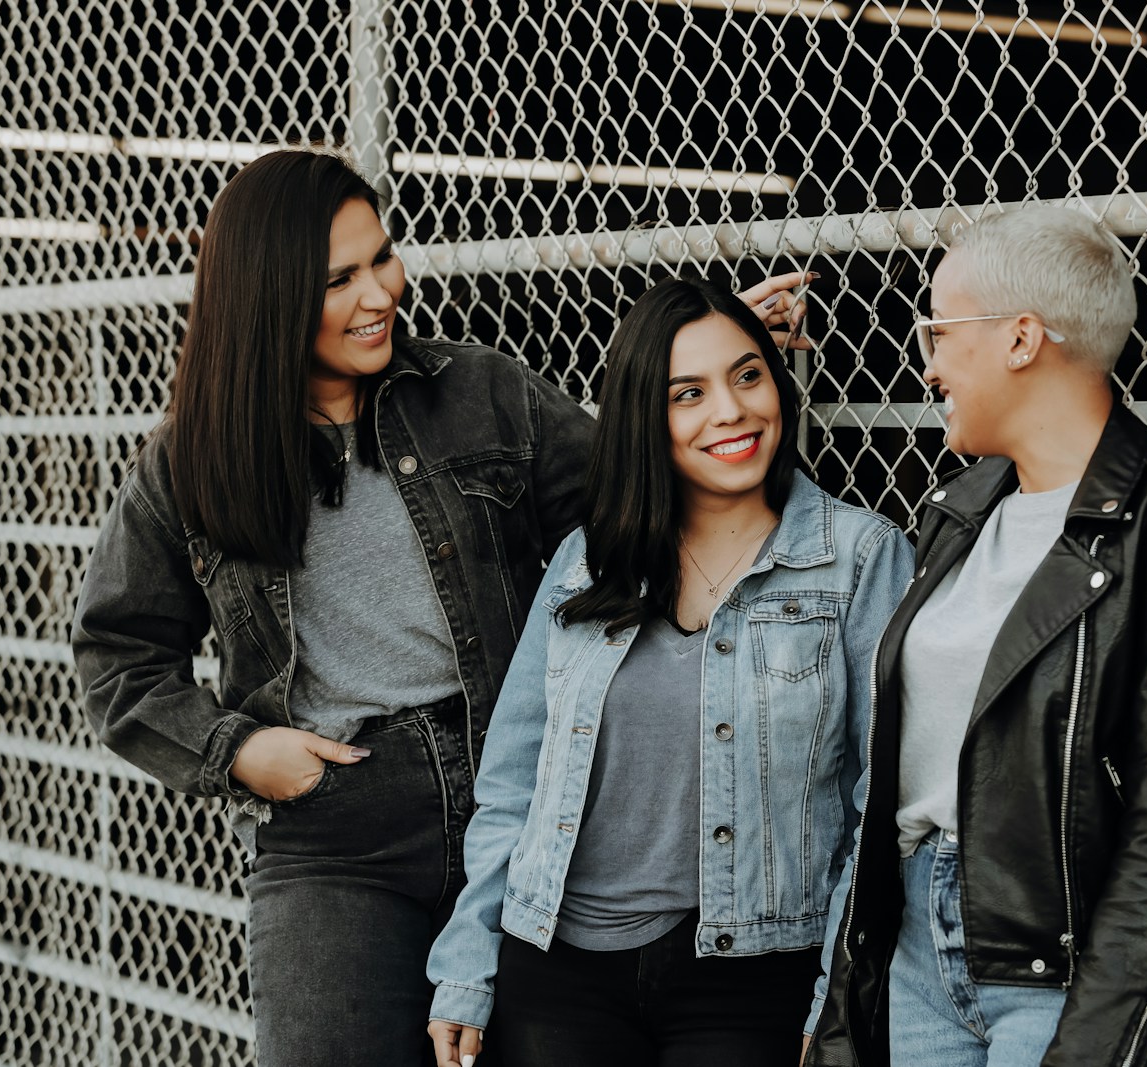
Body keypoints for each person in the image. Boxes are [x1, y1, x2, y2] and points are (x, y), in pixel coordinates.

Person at [70, 148, 809, 1067]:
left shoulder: (479, 394)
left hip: (525, 808)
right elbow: (117, 656)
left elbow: (630, 510)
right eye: (340, 278)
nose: (382, 290)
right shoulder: (189, 458)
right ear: (269, 295)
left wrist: (713, 362)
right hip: (338, 831)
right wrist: (242, 752)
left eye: (382, 256)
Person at [805, 205, 1147, 1067]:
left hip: (1074, 964)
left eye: (940, 331)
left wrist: (1098, 1040)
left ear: (1022, 339)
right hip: (920, 942)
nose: (931, 363)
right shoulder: (961, 510)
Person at [424, 277, 914, 1067]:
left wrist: (836, 996)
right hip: (557, 967)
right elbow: (516, 775)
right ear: (645, 418)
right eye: (689, 392)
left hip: (753, 973)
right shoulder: (590, 559)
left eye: (748, 375)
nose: (731, 411)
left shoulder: (859, 558)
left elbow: (880, 799)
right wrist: (466, 964)